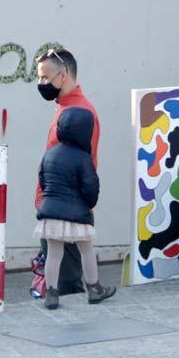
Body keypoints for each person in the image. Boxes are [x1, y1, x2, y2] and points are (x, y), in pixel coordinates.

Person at [33, 49, 100, 297]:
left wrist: (84, 207)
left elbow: (88, 165)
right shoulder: (66, 108)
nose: (41, 83)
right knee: (59, 271)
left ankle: (74, 327)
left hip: (67, 209)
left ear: (63, 75)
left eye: (45, 77)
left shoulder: (81, 113)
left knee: (68, 281)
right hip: (57, 204)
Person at [36, 107, 114, 309]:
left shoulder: (50, 154)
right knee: (86, 250)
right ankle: (94, 289)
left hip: (51, 213)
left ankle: (52, 294)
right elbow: (90, 187)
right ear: (85, 132)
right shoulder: (83, 158)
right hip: (77, 214)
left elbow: (43, 180)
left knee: (53, 255)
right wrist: (88, 205)